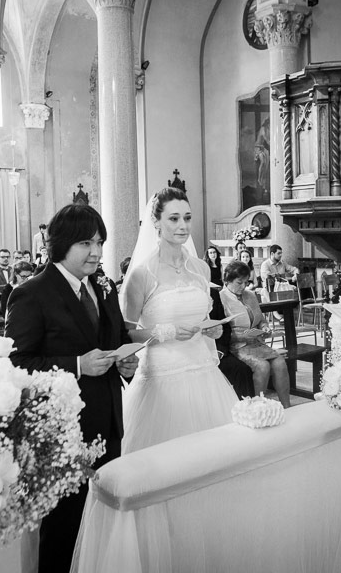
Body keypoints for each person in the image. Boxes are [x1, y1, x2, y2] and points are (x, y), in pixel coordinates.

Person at [5, 204, 138, 573]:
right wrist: (77, 365)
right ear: (61, 244)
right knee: (64, 528)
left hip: (108, 423)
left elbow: (118, 338)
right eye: (86, 243)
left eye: (99, 242)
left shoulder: (103, 287)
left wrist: (127, 362)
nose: (96, 252)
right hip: (61, 433)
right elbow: (14, 364)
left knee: (103, 520)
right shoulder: (32, 293)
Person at [120, 187, 238, 453]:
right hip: (163, 378)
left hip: (204, 372)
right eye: (174, 218)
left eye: (187, 217)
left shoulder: (201, 268)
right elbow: (126, 335)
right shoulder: (142, 274)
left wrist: (213, 330)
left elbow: (204, 318)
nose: (183, 226)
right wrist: (167, 331)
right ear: (156, 223)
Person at [220, 260, 291, 407]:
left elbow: (260, 319)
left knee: (280, 363)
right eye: (239, 283)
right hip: (237, 346)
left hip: (257, 343)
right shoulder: (221, 298)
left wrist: (264, 327)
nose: (243, 287)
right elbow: (221, 332)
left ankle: (287, 406)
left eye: (246, 282)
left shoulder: (250, 295)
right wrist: (241, 336)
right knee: (262, 366)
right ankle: (257, 408)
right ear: (227, 280)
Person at [210, 284, 255, 399]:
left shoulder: (213, 294)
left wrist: (220, 350)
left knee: (242, 370)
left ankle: (247, 411)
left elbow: (225, 327)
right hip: (191, 352)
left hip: (216, 350)